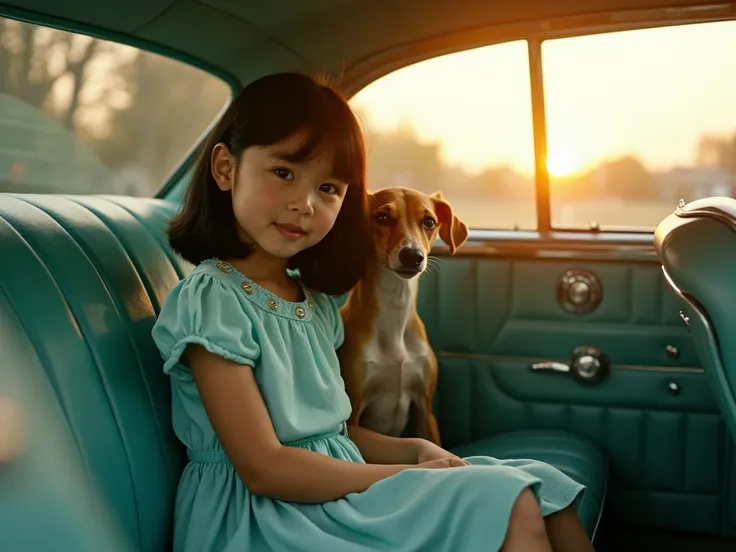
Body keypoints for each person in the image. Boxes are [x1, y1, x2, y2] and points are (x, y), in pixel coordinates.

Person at [151, 72, 594, 552]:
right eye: (284, 172)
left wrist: (417, 448)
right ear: (225, 169)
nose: (304, 203)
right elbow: (264, 468)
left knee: (547, 486)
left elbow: (334, 434)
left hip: (331, 485)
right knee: (511, 501)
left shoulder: (314, 303)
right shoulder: (213, 299)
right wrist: (405, 474)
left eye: (328, 187)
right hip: (264, 517)